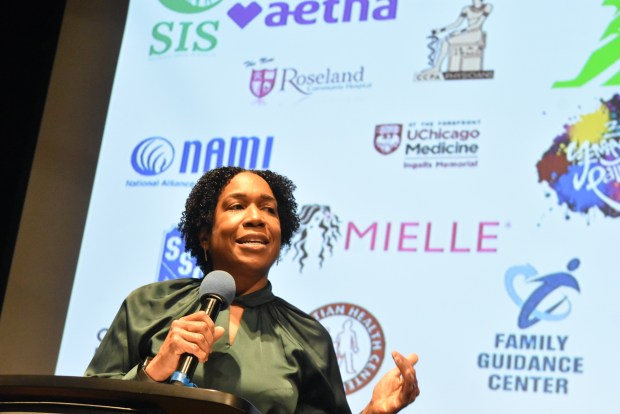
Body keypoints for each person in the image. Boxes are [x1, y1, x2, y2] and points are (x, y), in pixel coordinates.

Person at [85, 166, 420, 413]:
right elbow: (86, 405)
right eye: (236, 206)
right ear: (205, 234)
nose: (256, 218)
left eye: (269, 209)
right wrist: (154, 370)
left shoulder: (308, 336)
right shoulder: (148, 304)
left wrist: (373, 412)